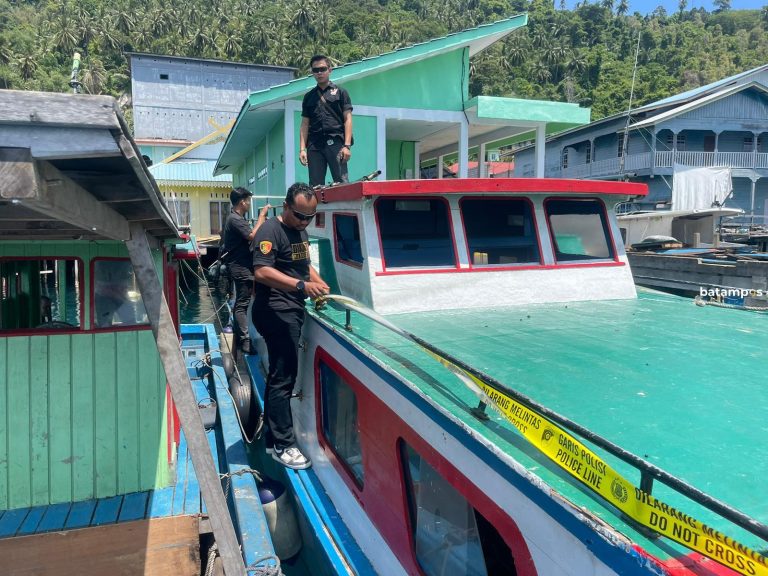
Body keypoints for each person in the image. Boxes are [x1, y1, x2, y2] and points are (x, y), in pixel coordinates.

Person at [251, 182, 330, 469]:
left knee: (280, 376)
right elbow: (261, 271)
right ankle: (283, 445)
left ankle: (273, 439)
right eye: (299, 215)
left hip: (292, 308)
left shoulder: (299, 230)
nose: (304, 221)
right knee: (283, 378)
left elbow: (301, 262)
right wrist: (301, 286)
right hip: (276, 311)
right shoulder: (270, 231)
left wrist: (317, 281)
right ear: (285, 206)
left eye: (310, 217)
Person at [221, 187, 270, 355]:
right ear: (242, 201)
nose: (249, 204)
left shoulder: (236, 218)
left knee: (242, 302)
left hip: (241, 266)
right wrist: (262, 217)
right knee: (242, 305)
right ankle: (246, 342)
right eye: (248, 200)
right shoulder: (235, 219)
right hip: (240, 267)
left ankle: (243, 336)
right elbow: (252, 236)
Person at [299, 55, 353, 187]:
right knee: (315, 186)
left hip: (336, 143)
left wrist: (346, 146)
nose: (319, 73)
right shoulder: (308, 97)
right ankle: (317, 208)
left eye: (322, 69)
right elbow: (305, 124)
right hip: (314, 145)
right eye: (315, 70)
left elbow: (348, 119)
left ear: (330, 70)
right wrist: (302, 149)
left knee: (341, 183)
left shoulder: (341, 92)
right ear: (312, 73)